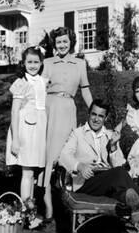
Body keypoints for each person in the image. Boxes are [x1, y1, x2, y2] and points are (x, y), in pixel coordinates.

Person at [59, 100, 139, 223]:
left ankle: (133, 204)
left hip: (108, 182)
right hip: (86, 182)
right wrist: (80, 166)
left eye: (100, 116)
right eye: (94, 114)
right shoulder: (77, 133)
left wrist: (113, 147)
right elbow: (63, 156)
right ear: (89, 114)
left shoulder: (110, 135)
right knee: (118, 174)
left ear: (105, 118)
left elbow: (119, 164)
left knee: (124, 187)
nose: (96, 119)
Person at [40, 27, 93, 221]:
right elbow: (39, 90)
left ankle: (74, 205)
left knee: (70, 156)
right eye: (58, 42)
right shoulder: (47, 63)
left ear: (71, 42)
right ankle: (48, 209)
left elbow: (85, 90)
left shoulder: (80, 64)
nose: (62, 45)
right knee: (49, 159)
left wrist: (94, 110)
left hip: (69, 110)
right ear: (54, 44)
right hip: (50, 110)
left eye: (65, 41)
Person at [6, 46, 47, 209]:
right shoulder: (21, 83)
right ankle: (26, 210)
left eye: (36, 62)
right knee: (27, 172)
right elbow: (14, 111)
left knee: (32, 172)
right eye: (29, 62)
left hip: (38, 131)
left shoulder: (43, 81)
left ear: (41, 63)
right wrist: (16, 139)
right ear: (23, 63)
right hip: (25, 132)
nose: (32, 65)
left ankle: (29, 207)